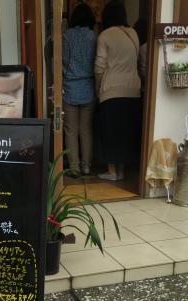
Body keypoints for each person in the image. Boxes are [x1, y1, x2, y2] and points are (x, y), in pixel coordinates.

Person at [94, 0, 141, 181]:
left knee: (110, 131)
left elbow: (99, 67)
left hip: (111, 91)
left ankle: (112, 171)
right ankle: (122, 170)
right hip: (132, 90)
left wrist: (98, 87)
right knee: (125, 131)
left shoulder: (105, 35)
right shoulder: (133, 33)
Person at [62, 3, 97, 178]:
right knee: (86, 129)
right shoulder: (93, 37)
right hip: (88, 87)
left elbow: (62, 61)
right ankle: (87, 166)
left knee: (71, 130)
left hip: (70, 87)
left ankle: (74, 167)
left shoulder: (66, 36)